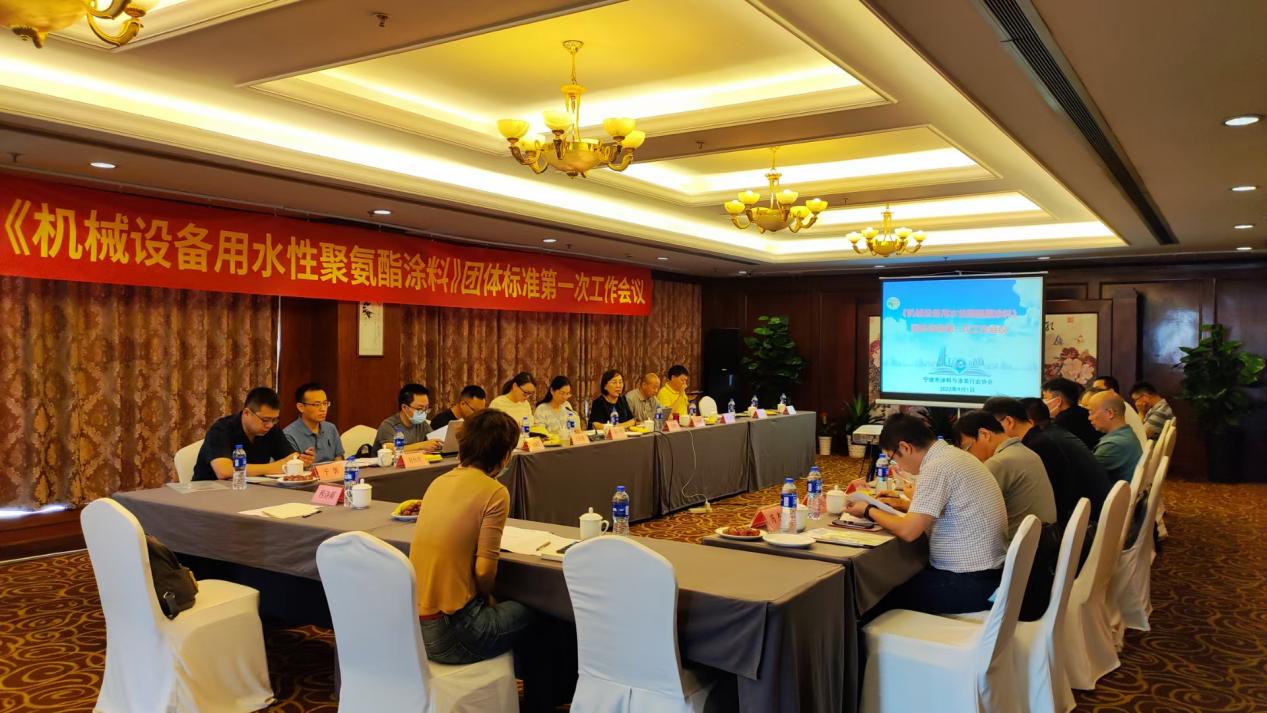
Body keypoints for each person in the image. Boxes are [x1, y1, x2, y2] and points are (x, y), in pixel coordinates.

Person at [845, 414, 1008, 616]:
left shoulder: (936, 467)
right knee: (897, 579)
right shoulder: (955, 456)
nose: (898, 466)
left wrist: (868, 510)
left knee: (874, 595)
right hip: (989, 576)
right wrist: (902, 506)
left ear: (905, 447)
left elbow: (909, 532)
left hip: (968, 582)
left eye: (893, 457)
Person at [409, 408, 533, 665]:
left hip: (416, 631)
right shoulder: (495, 492)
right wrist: (488, 599)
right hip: (454, 632)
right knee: (540, 612)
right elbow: (485, 571)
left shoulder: (438, 482)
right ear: (506, 455)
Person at [983, 397, 1111, 526]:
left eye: (991, 429)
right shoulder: (1046, 436)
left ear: (1009, 421)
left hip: (1078, 522)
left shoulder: (1037, 447)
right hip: (1086, 515)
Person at [954, 410, 1057, 537]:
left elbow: (968, 510)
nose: (968, 455)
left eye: (967, 448)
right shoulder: (1025, 452)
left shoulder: (999, 462)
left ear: (984, 434)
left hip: (1017, 544)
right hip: (1044, 539)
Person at [192, 387, 308, 481]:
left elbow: (290, 458)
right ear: (247, 413)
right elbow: (224, 471)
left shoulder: (271, 429)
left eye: (274, 420)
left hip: (251, 490)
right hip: (209, 492)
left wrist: (301, 460)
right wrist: (274, 467)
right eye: (265, 420)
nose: (269, 425)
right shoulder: (221, 429)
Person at [1088, 390, 1143, 484]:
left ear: (1110, 413)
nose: (1089, 418)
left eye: (1091, 413)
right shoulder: (1126, 433)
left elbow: (1085, 475)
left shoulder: (1113, 445)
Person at [282, 382, 343, 463]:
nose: (323, 409)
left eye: (325, 403)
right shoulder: (288, 435)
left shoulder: (331, 428)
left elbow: (339, 459)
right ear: (301, 407)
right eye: (317, 404)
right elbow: (292, 466)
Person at [374, 383, 442, 452]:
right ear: (404, 407)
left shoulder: (422, 424)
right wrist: (421, 445)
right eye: (419, 409)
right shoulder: (388, 425)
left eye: (426, 408)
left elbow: (435, 441)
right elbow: (390, 449)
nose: (424, 412)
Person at [1042, 377, 1100, 450]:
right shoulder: (1084, 413)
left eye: (1045, 398)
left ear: (1058, 401)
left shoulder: (1061, 422)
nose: (1043, 402)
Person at [1093, 375, 1148, 445]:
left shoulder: (1117, 407)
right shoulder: (1120, 404)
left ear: (1111, 391)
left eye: (1098, 390)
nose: (1093, 392)